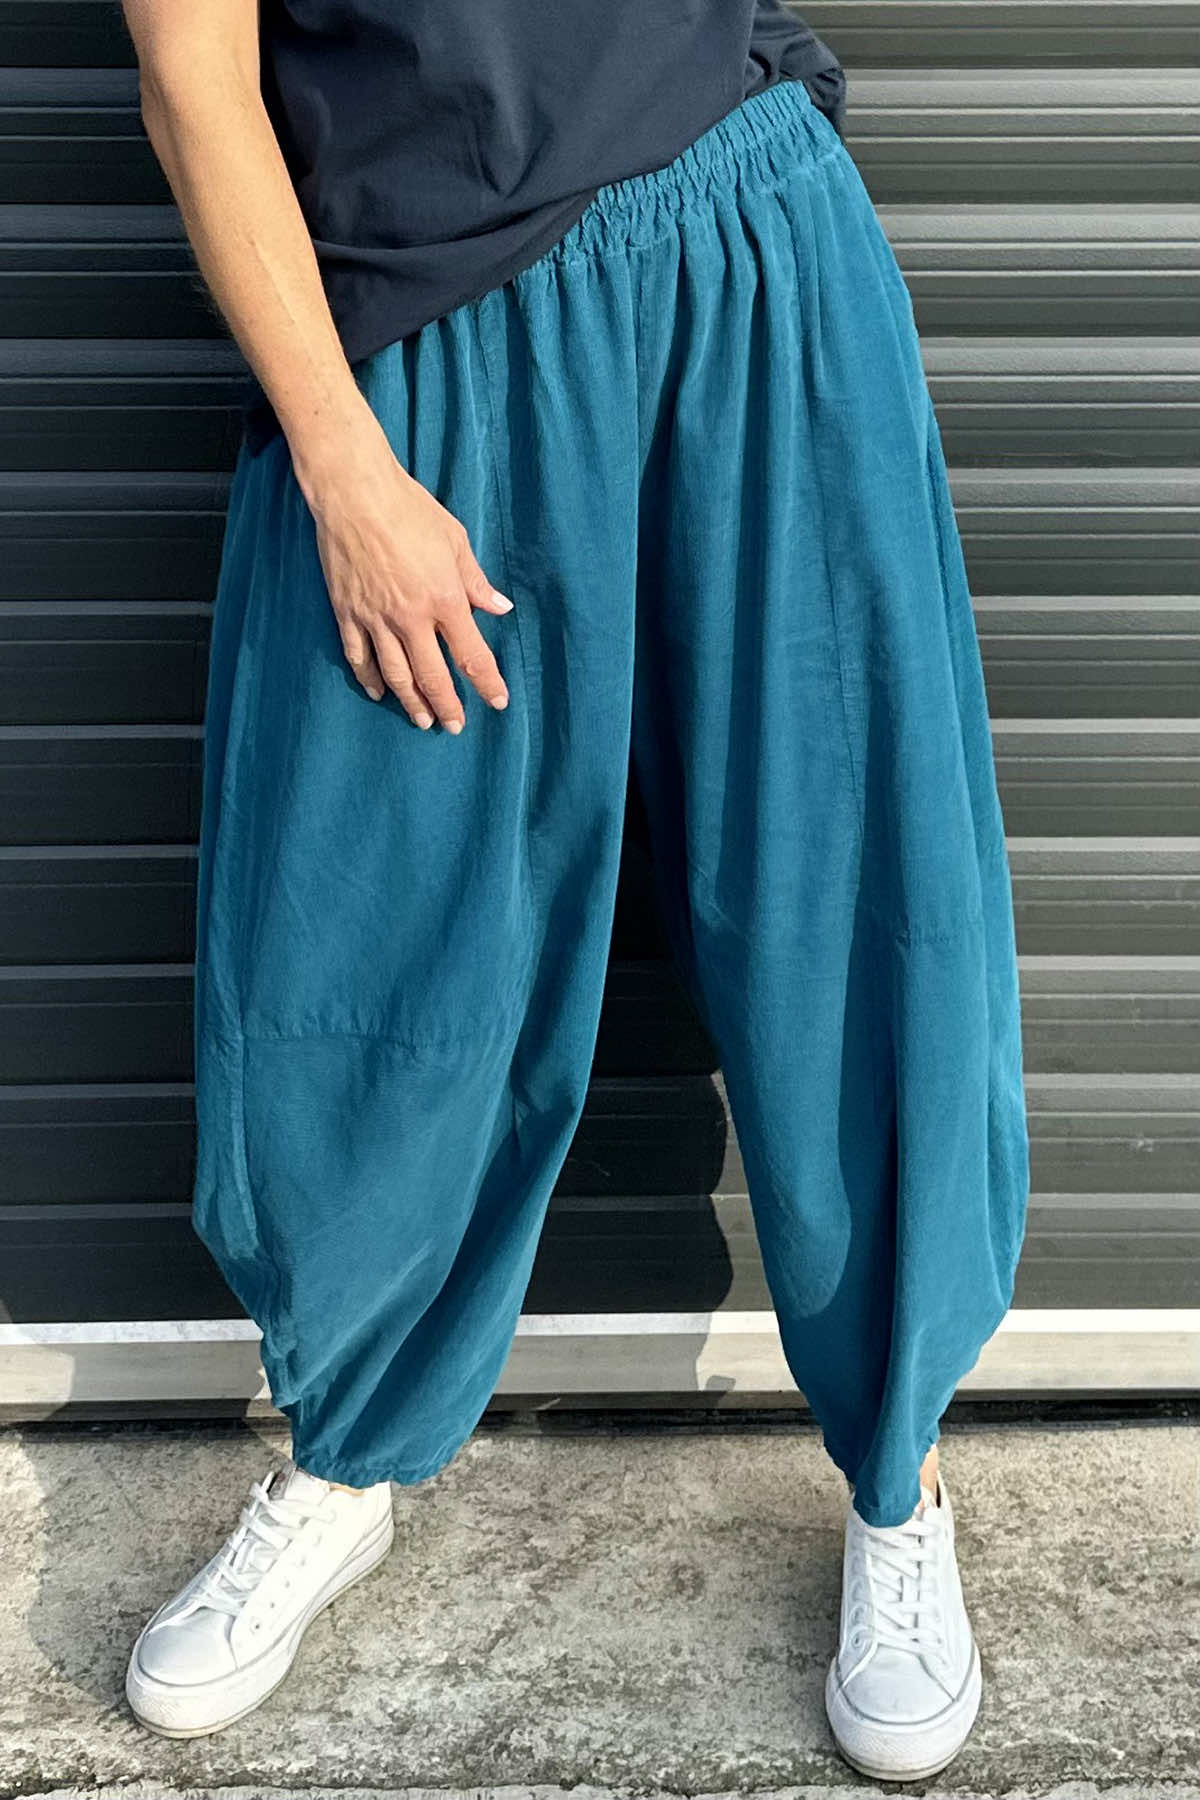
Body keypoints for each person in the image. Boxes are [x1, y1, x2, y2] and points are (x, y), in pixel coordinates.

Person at [118, 0, 1031, 1781]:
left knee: (848, 886)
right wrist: (342, 470)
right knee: (370, 925)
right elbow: (191, 78)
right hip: (421, 334)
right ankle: (347, 1453)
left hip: (744, 244)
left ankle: (900, 1479)